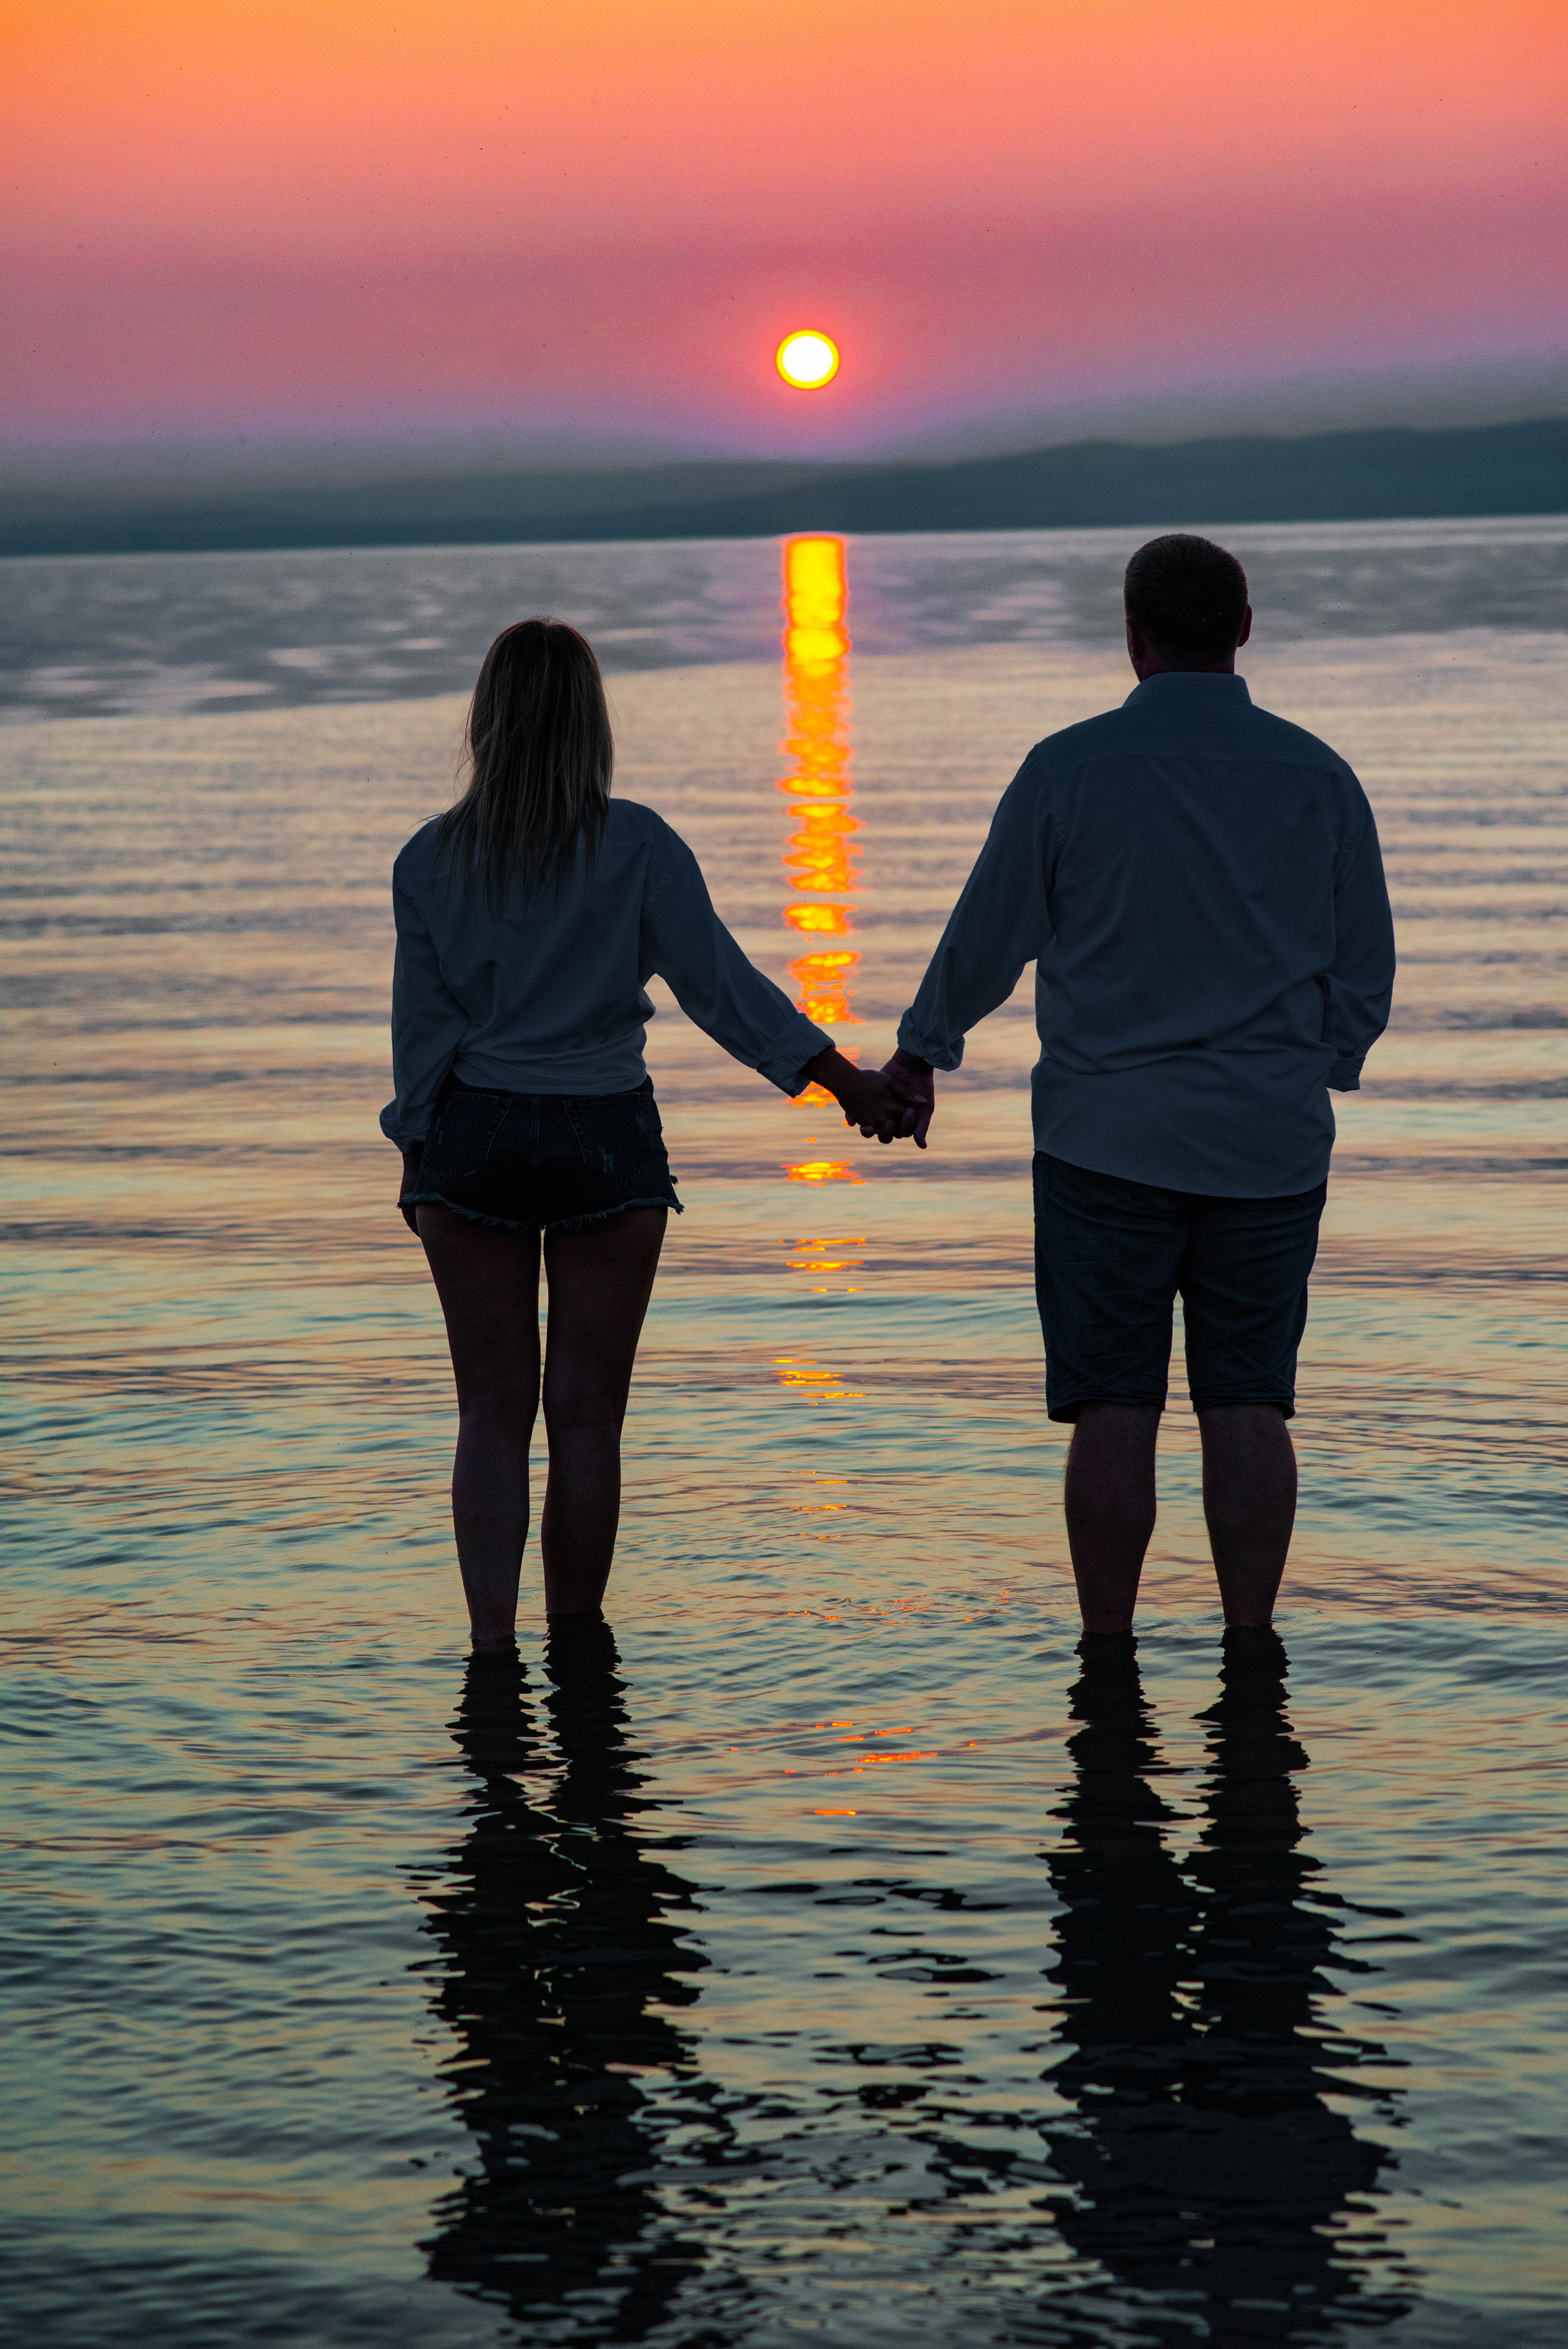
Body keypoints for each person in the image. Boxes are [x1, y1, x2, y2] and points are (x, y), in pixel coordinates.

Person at [879, 534, 1396, 1635]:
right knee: (1248, 1400)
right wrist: (1320, 1073)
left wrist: (922, 1054)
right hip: (1266, 1145)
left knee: (1114, 1405)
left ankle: (1107, 1655)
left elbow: (987, 938)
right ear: (1245, 628)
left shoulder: (1070, 770)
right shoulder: (1319, 775)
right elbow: (1364, 970)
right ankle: (1250, 1650)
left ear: (1133, 640)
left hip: (1102, 1141)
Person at [383, 617, 912, 1646]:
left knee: (492, 1415)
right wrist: (846, 1083)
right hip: (604, 1139)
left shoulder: (432, 858)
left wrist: (416, 1154)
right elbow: (723, 992)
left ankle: (494, 1652)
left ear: (486, 721)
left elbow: (424, 1032)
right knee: (586, 1418)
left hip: (472, 1138)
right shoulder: (636, 844)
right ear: (591, 722)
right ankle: (578, 1646)